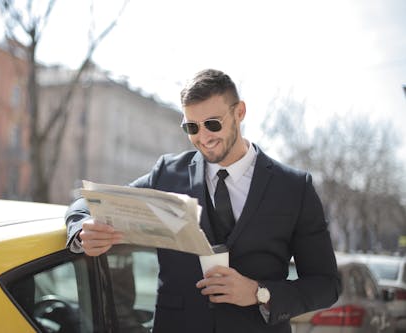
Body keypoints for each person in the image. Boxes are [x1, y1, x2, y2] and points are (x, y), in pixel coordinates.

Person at [65, 69, 340, 333]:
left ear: (239, 112)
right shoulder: (167, 174)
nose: (203, 137)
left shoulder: (293, 187)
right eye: (192, 127)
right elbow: (88, 204)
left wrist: (259, 292)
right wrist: (83, 227)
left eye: (212, 124)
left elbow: (326, 285)